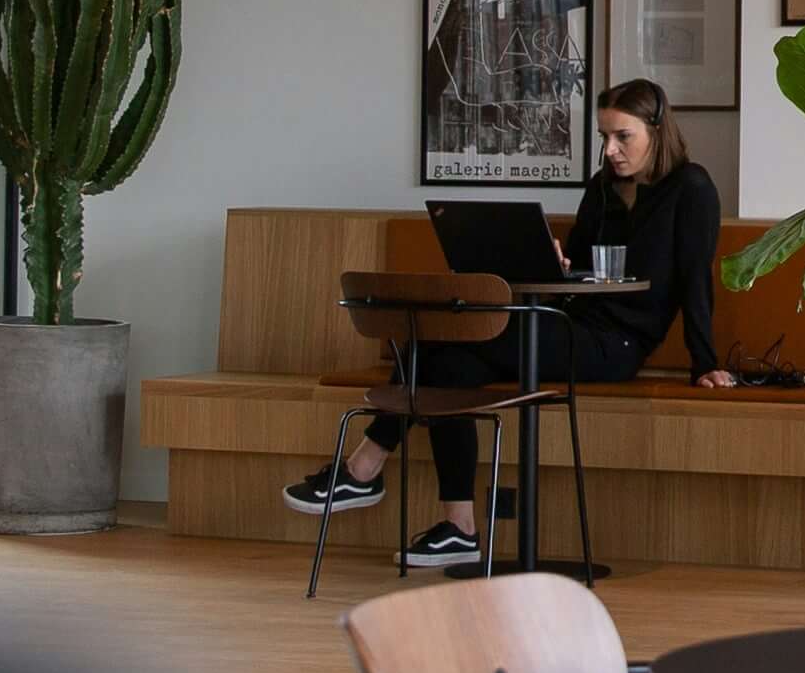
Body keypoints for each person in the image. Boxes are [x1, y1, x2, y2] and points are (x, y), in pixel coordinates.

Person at [283, 77, 747, 574]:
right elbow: (577, 270)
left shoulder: (691, 188)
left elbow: (698, 278)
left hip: (618, 343)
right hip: (569, 322)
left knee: (449, 345)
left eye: (622, 137)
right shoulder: (602, 188)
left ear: (657, 130)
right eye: (604, 137)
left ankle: (362, 469)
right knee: (449, 360)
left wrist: (705, 363)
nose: (610, 150)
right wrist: (553, 263)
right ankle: (458, 529)